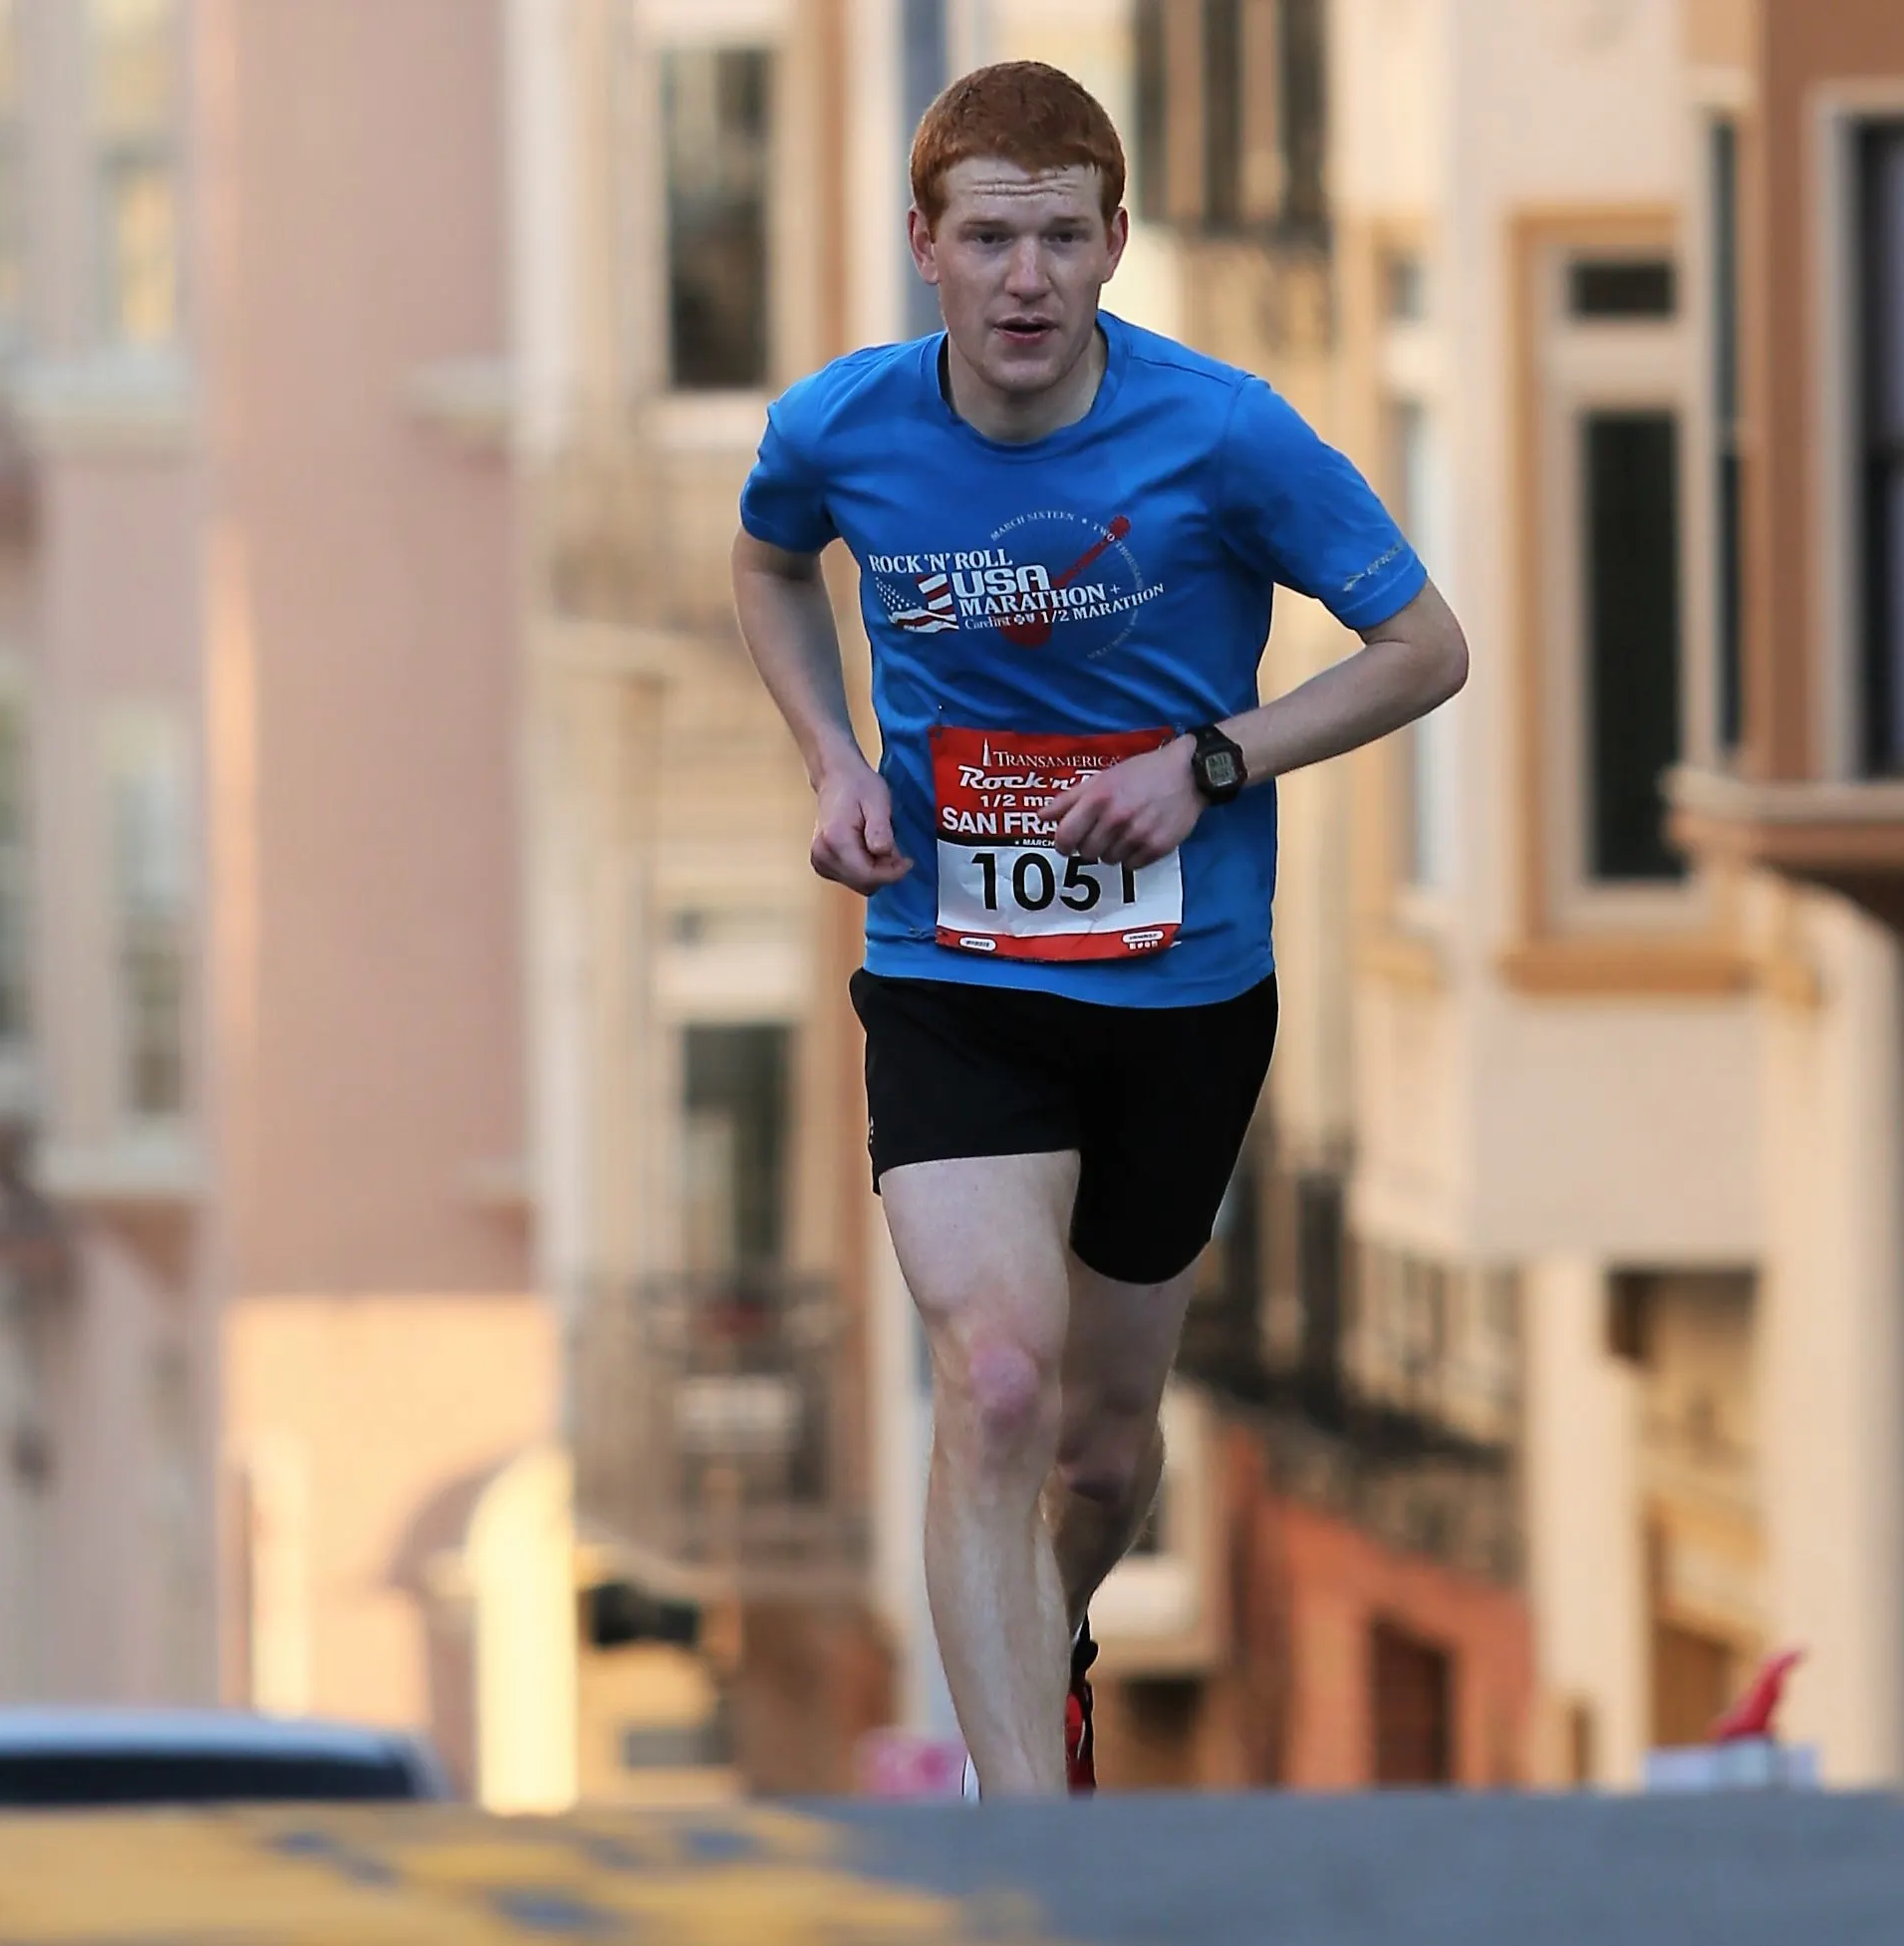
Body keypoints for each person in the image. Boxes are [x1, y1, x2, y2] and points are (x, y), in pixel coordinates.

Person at [730, 61, 1468, 1799]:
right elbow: (767, 563)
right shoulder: (839, 427)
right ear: (926, 244)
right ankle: (1023, 1825)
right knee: (991, 1383)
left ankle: (1040, 1638)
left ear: (1116, 243)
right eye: (989, 238)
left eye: (1063, 238)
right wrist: (833, 757)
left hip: (1181, 994)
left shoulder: (1229, 434)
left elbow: (1424, 649)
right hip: (951, 971)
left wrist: (1208, 762)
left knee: (1100, 1444)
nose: (1026, 280)